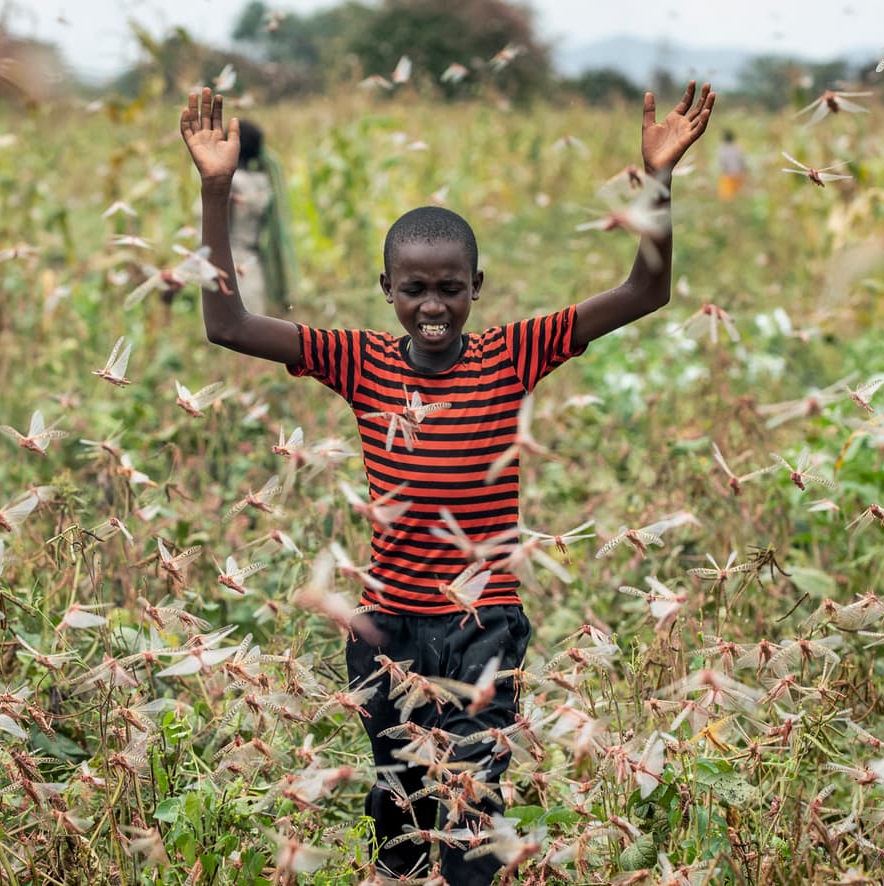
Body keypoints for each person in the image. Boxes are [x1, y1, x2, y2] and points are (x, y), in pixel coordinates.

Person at [179, 82, 714, 883]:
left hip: (484, 630)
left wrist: (658, 179)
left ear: (477, 286)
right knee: (400, 818)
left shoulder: (515, 352)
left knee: (470, 814)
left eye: (451, 287)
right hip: (385, 630)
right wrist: (215, 190)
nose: (434, 305)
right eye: (416, 288)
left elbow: (648, 291)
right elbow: (226, 325)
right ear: (386, 291)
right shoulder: (358, 361)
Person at [229, 119, 294, 315]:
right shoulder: (262, 181)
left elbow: (221, 230)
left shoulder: (231, 184)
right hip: (252, 265)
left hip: (231, 264)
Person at [717, 129, 747, 201]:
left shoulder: (722, 148)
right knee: (739, 197)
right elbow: (742, 162)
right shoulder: (738, 147)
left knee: (727, 198)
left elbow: (722, 163)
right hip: (738, 175)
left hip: (727, 176)